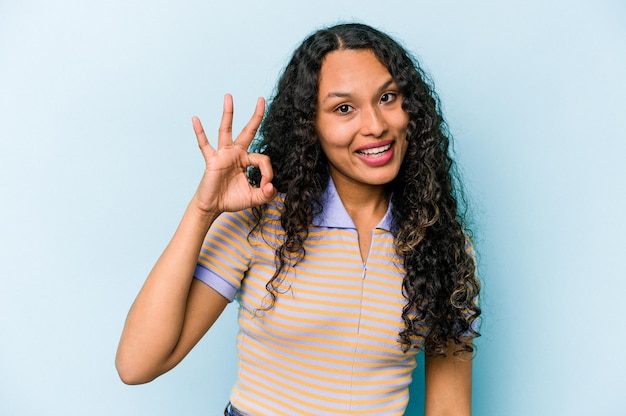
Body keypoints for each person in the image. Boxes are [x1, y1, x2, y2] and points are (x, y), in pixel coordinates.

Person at [116, 23, 481, 416]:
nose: (375, 125)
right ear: (312, 125)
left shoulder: (444, 244)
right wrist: (202, 211)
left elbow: (449, 406)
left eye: (388, 97)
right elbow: (137, 365)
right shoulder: (259, 220)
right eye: (344, 108)